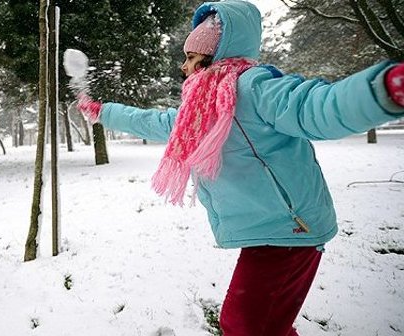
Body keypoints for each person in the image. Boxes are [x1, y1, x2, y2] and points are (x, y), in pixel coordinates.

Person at [75, 1, 404, 335]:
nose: (184, 66)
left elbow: (316, 105)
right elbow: (157, 121)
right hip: (269, 229)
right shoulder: (201, 109)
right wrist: (104, 112)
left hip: (291, 228)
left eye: (191, 57)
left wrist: (382, 89)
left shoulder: (255, 88)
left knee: (244, 324)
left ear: (215, 56)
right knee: (263, 324)